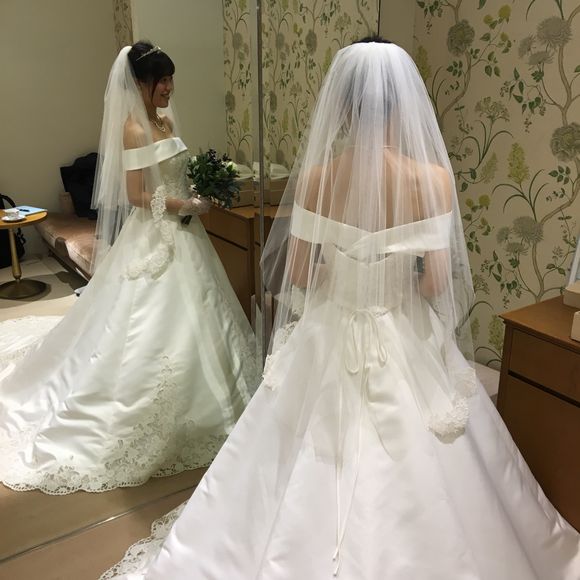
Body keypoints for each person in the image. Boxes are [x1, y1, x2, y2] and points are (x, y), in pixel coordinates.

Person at [101, 38, 580, 579]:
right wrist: (392, 274)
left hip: (330, 329)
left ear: (344, 106)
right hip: (403, 331)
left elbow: (300, 274)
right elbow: (435, 284)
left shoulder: (315, 179)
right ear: (402, 104)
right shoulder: (434, 180)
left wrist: (346, 272)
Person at [0, 41, 257, 494]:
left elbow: (176, 173)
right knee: (143, 320)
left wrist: (200, 189)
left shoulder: (165, 122)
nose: (169, 88)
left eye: (171, 79)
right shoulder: (134, 129)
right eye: (161, 81)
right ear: (139, 83)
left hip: (187, 233)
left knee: (205, 311)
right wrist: (185, 204)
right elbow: (137, 194)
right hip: (156, 231)